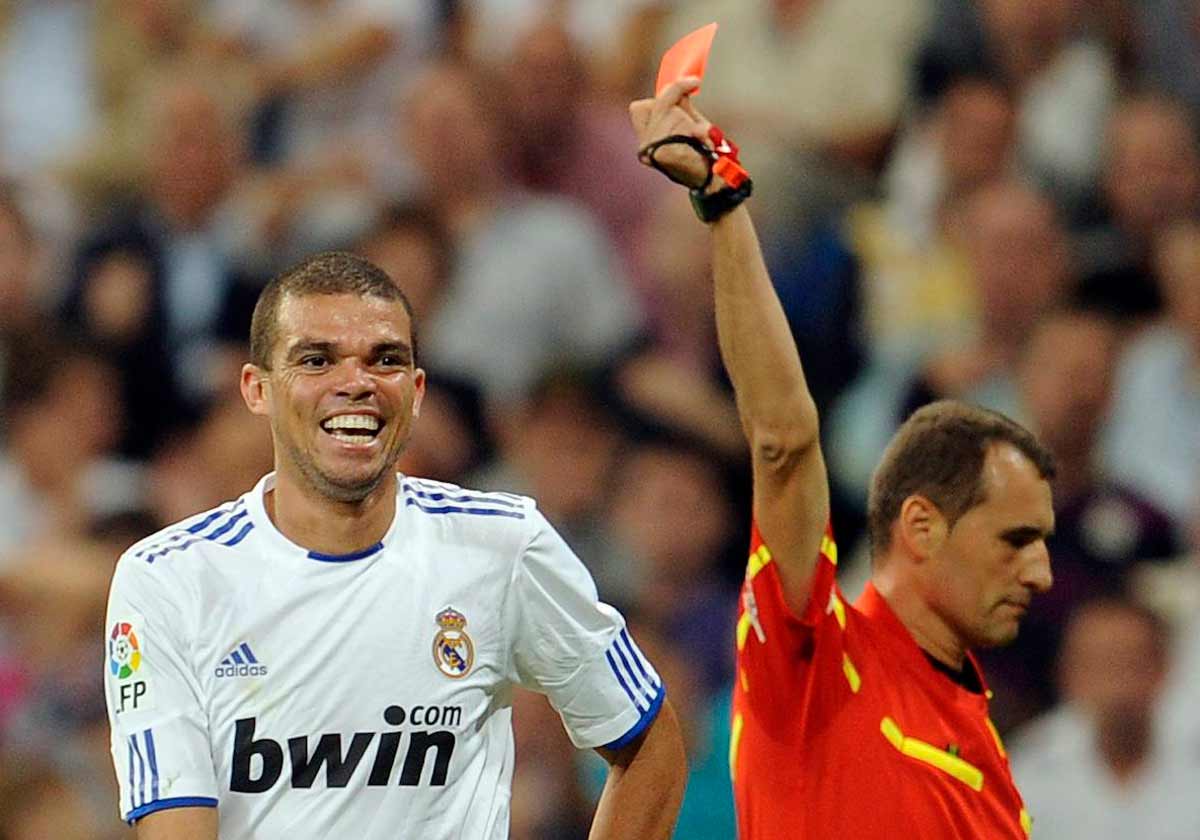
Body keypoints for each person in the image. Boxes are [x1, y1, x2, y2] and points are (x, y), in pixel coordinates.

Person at [102, 251, 686, 838]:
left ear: (416, 390)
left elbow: (647, 741)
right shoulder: (169, 580)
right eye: (316, 360)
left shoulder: (503, 545)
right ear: (258, 390)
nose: (355, 383)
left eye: (385, 360)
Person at [631, 79, 1056, 837]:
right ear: (922, 528)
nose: (1040, 573)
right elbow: (783, 441)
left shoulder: (991, 762)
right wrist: (723, 204)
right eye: (1014, 539)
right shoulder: (817, 660)